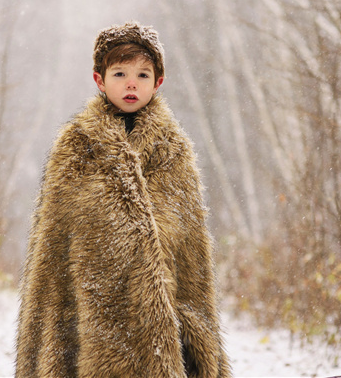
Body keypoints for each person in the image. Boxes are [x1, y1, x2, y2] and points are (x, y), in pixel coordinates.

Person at [15, 21, 231, 378]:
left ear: (158, 82)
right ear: (99, 80)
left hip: (157, 329)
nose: (132, 83)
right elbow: (51, 257)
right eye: (120, 73)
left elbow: (192, 258)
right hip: (90, 318)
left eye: (143, 75)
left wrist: (198, 335)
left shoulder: (173, 150)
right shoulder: (75, 146)